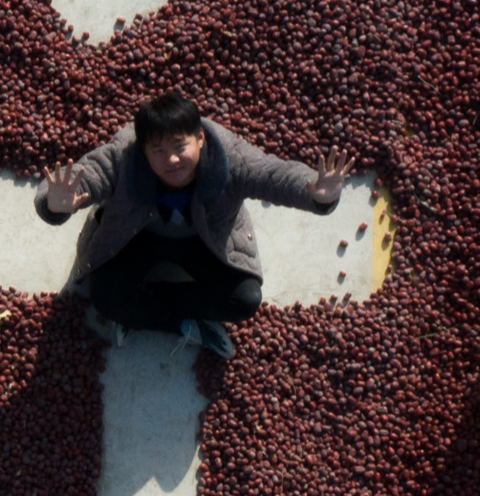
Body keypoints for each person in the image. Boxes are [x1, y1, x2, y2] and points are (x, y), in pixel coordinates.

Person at [35, 92, 354, 360]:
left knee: (244, 301)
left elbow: (274, 175)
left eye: (179, 146)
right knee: (105, 299)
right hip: (135, 234)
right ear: (143, 149)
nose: (171, 160)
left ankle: (150, 302)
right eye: (158, 150)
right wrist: (55, 204)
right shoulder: (124, 155)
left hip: (203, 236)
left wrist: (315, 194)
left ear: (200, 138)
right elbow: (88, 174)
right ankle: (171, 319)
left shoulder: (231, 158)